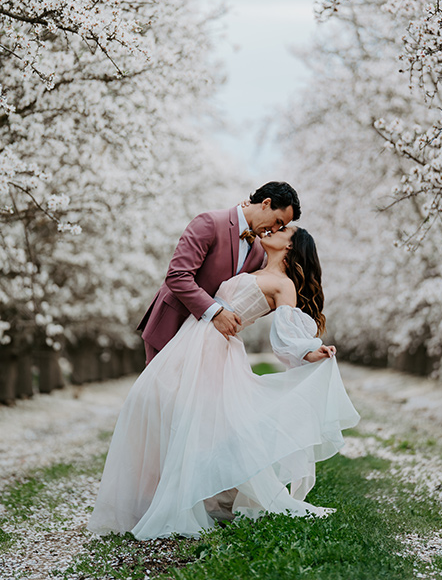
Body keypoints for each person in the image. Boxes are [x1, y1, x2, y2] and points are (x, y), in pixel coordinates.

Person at [87, 224, 360, 540]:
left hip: (216, 350)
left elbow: (285, 335)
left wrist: (312, 351)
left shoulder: (283, 285)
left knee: (191, 421)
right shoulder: (254, 262)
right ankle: (149, 497)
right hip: (189, 340)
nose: (275, 230)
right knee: (149, 400)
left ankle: (179, 500)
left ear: (291, 246)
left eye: (284, 230)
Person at [137, 181, 301, 364]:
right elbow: (178, 276)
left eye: (280, 227)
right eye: (277, 221)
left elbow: (258, 293)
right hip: (172, 324)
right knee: (162, 391)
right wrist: (216, 312)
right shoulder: (210, 222)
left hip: (205, 341)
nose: (274, 229)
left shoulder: (259, 250)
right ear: (265, 203)